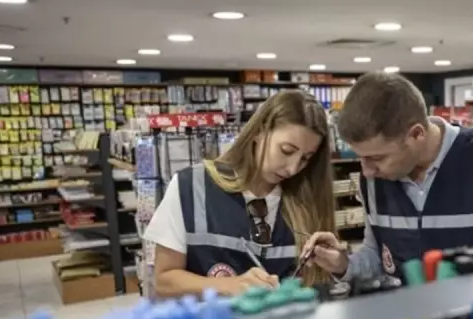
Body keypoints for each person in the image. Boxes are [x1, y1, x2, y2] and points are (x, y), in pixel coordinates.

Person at [303, 72, 473, 282]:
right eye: (361, 158)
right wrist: (343, 264)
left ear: (416, 134)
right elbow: (378, 257)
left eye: (377, 158)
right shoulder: (373, 179)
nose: (366, 171)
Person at [144, 90, 336, 297]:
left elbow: (318, 284)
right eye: (287, 151)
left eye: (306, 158)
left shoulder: (309, 198)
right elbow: (164, 280)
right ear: (259, 132)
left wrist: (339, 266)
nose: (292, 168)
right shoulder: (190, 186)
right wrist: (230, 286)